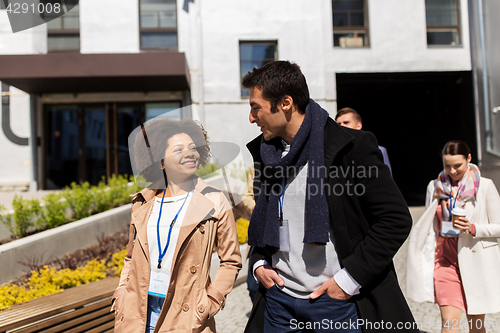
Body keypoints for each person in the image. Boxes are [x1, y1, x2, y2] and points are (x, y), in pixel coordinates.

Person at [242, 60, 417, 333]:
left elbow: (395, 220)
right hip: (279, 300)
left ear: (286, 103)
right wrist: (260, 263)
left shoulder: (352, 147)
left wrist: (349, 280)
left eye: (256, 107)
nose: (251, 118)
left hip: (335, 302)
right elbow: (266, 220)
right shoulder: (267, 155)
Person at [111, 118, 242, 333]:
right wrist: (122, 291)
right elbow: (131, 257)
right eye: (179, 149)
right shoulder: (143, 202)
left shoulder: (214, 200)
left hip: (186, 311)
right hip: (138, 308)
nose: (189, 153)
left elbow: (231, 260)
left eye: (193, 148)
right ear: (161, 162)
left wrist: (211, 300)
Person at [407, 140, 500, 333]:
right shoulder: (435, 187)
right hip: (445, 262)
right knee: (449, 324)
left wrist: (474, 228)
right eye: (447, 166)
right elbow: (430, 225)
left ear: (469, 159)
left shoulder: (485, 186)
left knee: (476, 326)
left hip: (475, 262)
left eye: (457, 165)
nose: (452, 171)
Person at [335, 107, 392, 176]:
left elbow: (386, 179)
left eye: (346, 122)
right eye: (338, 124)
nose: (342, 126)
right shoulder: (334, 152)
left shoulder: (379, 150)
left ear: (359, 126)